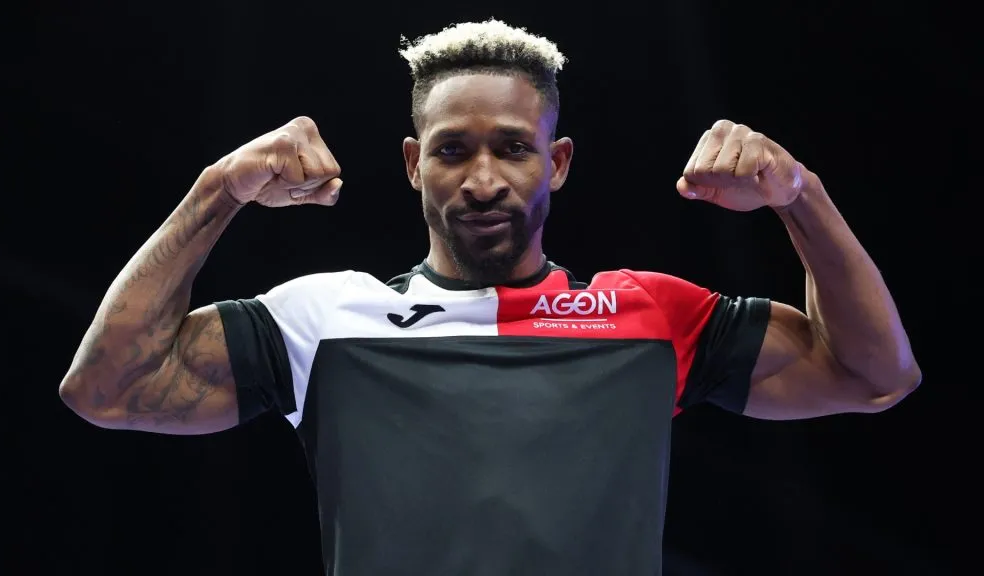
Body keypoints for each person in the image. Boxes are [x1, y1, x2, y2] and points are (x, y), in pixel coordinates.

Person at [59, 19, 921, 576]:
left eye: (512, 148)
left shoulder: (654, 317)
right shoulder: (321, 320)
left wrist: (797, 195)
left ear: (557, 162)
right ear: (411, 163)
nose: (481, 180)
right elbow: (107, 390)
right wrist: (218, 190)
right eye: (451, 150)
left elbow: (873, 373)